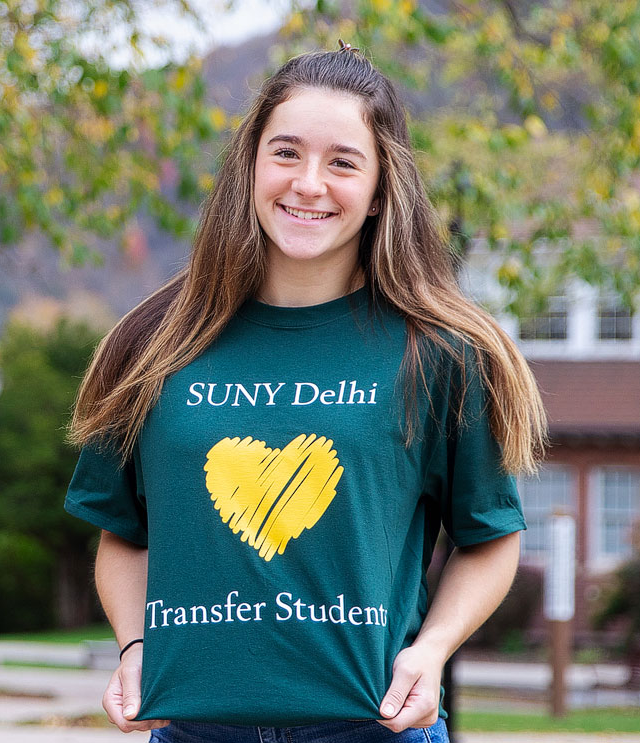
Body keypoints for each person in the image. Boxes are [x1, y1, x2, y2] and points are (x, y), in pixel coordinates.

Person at [63, 46, 544, 742]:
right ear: (251, 167)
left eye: (343, 162)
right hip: (195, 730)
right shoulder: (152, 345)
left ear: (380, 189)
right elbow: (122, 534)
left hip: (373, 728)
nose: (308, 183)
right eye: (285, 152)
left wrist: (431, 650)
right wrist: (137, 648)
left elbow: (491, 536)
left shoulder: (439, 353)